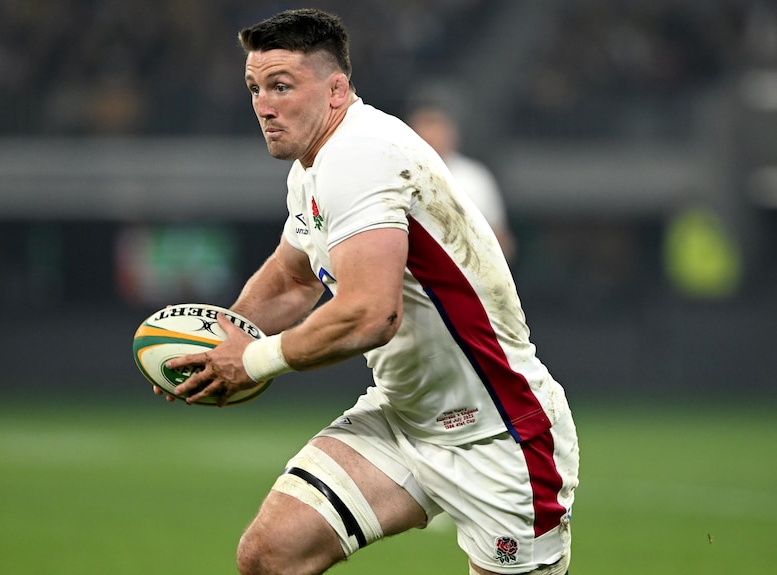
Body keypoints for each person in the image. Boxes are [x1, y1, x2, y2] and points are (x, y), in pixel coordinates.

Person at [157, 9, 579, 575]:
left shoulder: (360, 154)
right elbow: (292, 278)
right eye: (255, 87)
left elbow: (370, 315)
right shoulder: (312, 167)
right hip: (403, 418)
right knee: (270, 556)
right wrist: (215, 345)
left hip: (498, 432)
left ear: (336, 89)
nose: (263, 104)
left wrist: (251, 361)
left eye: (282, 86)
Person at [407, 103, 516, 261]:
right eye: (424, 126)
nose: (429, 136)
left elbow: (501, 241)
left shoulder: (474, 178)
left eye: (435, 126)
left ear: (451, 133)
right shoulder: (396, 176)